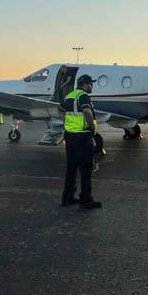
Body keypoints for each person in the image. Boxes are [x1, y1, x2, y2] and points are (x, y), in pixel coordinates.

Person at [58, 74, 102, 209]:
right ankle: (86, 200)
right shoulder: (83, 96)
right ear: (84, 84)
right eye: (90, 84)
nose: (91, 86)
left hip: (70, 137)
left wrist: (67, 121)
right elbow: (87, 112)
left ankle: (67, 198)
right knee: (86, 169)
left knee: (71, 169)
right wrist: (91, 126)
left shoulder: (70, 95)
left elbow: (60, 109)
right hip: (82, 138)